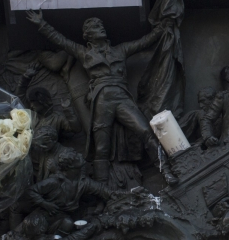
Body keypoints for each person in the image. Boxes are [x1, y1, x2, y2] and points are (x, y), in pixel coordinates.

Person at [25, 10, 178, 186]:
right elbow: (61, 40)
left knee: (145, 130)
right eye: (96, 26)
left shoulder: (121, 50)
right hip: (101, 100)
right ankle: (103, 193)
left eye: (101, 25)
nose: (101, 28)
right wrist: (41, 24)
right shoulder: (83, 53)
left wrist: (163, 27)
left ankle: (165, 171)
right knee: (101, 147)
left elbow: (145, 41)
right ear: (87, 35)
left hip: (121, 97)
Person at [15, 62, 81, 136]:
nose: (31, 105)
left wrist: (68, 110)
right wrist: (26, 77)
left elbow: (76, 129)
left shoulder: (57, 119)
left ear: (42, 101)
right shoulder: (32, 116)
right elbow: (19, 97)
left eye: (33, 101)